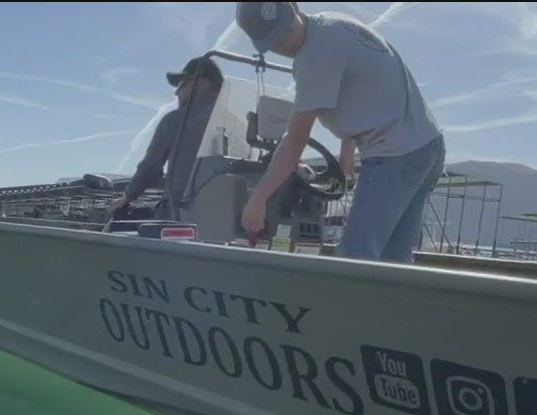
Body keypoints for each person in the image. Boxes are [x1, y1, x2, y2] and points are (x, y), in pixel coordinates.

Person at [235, 1, 445, 263]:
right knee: (395, 259)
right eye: (275, 40)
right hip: (427, 146)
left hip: (395, 154)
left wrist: (258, 197)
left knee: (354, 257)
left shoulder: (313, 56)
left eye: (286, 30)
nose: (285, 43)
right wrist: (347, 154)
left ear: (295, 8)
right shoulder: (332, 24)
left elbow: (294, 143)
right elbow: (362, 95)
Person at [110, 56, 225, 220]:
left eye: (181, 84)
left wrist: (126, 197)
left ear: (201, 83)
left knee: (120, 217)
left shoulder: (175, 121)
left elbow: (150, 168)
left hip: (179, 216)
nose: (176, 92)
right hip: (224, 217)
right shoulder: (236, 121)